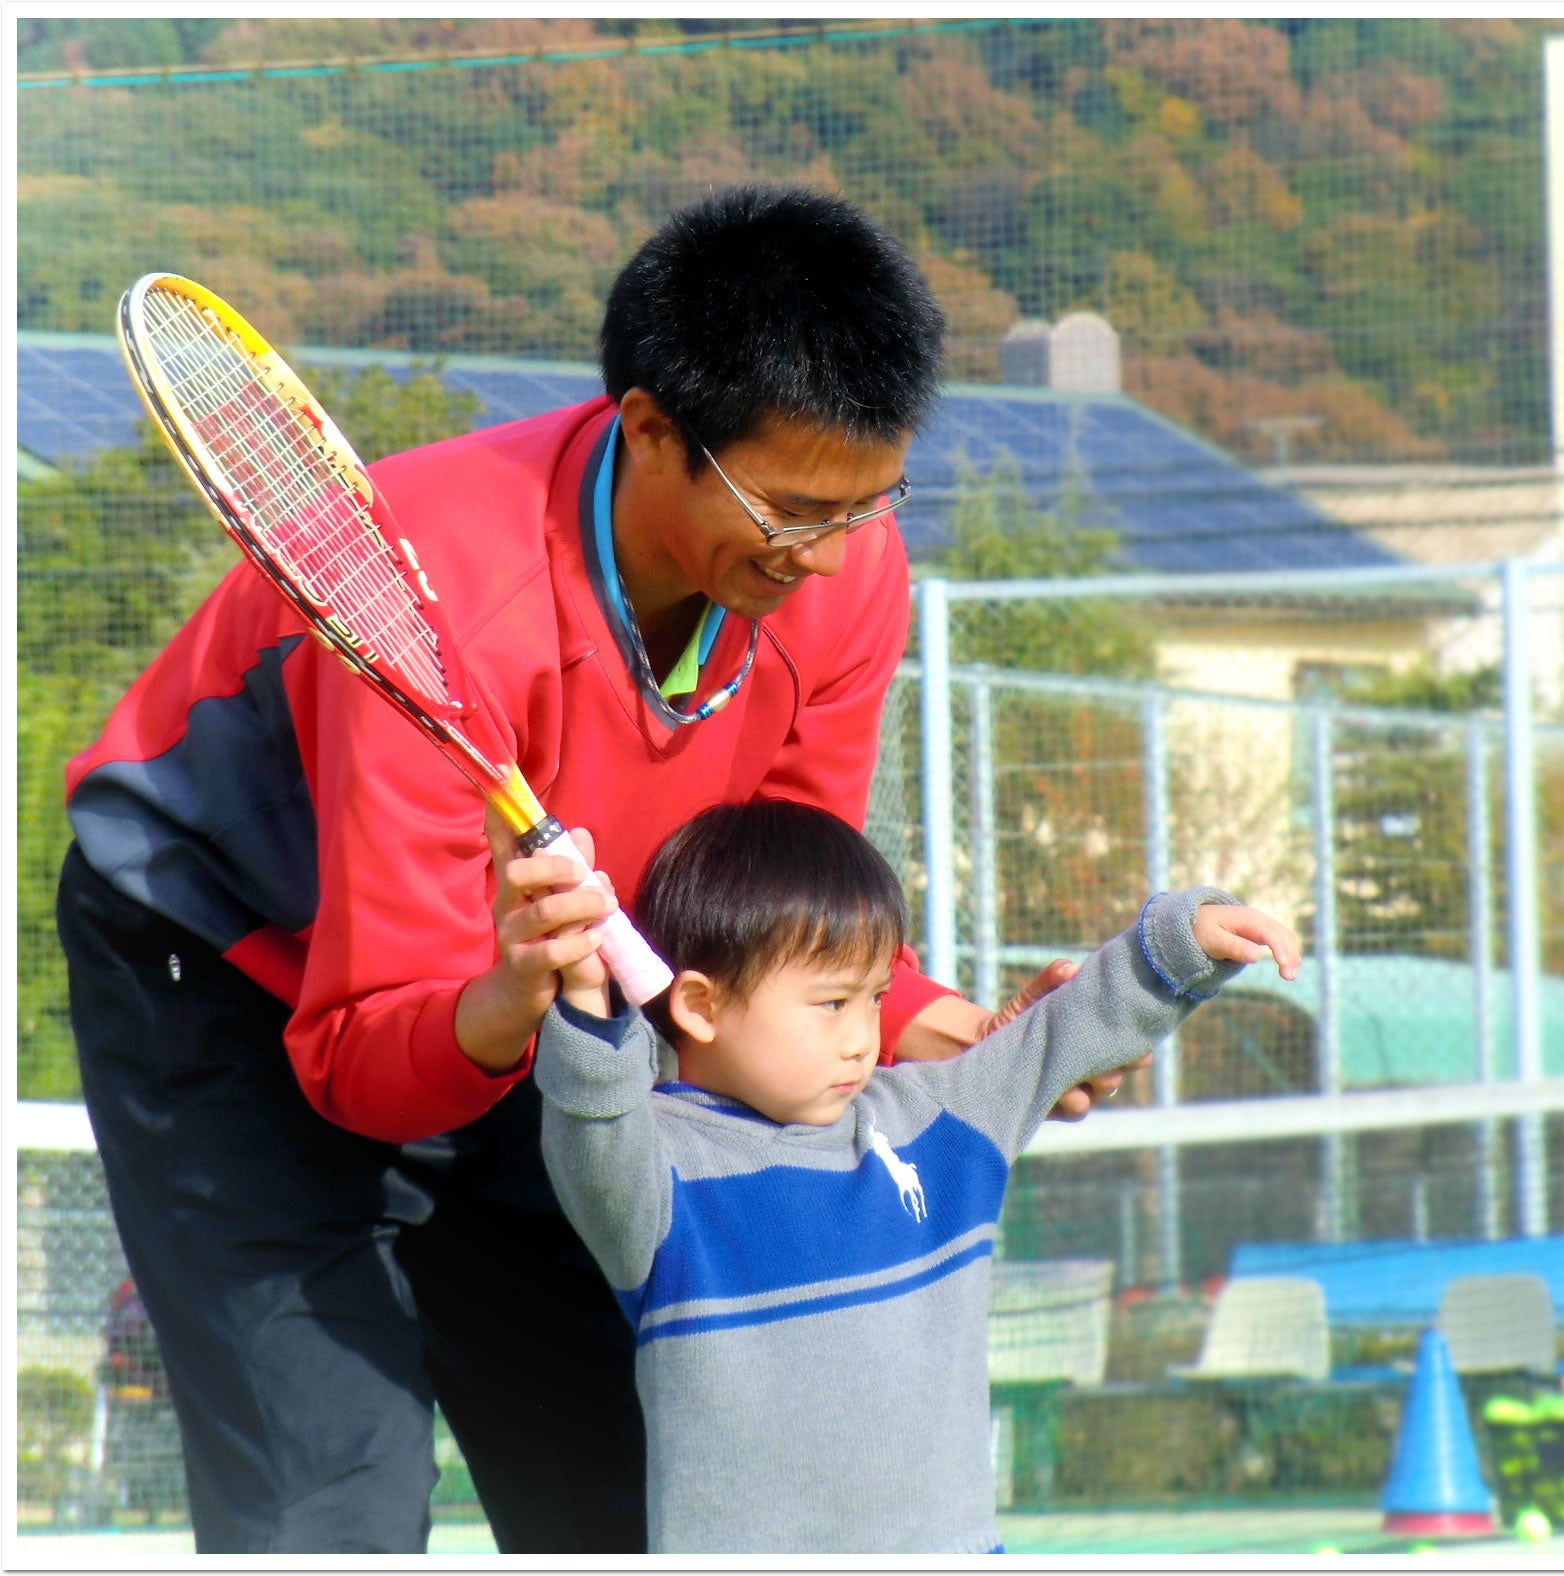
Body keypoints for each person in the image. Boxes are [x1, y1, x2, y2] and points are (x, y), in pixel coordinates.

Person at [55, 185, 1104, 1555]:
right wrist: (509, 1006)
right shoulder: (438, 594)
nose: (833, 553)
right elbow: (363, 1058)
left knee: (647, 1485)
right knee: (331, 1500)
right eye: (793, 508)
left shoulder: (844, 571)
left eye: (867, 503)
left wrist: (920, 1021)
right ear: (651, 429)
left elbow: (761, 907)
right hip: (229, 971)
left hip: (528, 994)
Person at [532, 797, 1302, 1553]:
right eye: (830, 1003)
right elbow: (594, 1118)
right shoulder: (660, 1178)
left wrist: (1179, 941)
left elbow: (1059, 1034)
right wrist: (586, 1002)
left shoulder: (936, 1121)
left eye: (873, 998)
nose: (863, 1038)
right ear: (700, 1006)